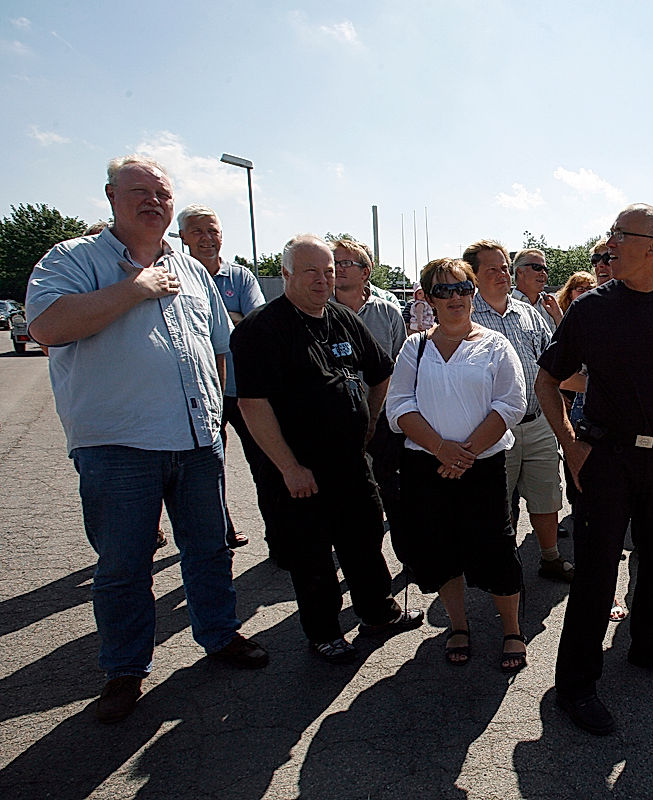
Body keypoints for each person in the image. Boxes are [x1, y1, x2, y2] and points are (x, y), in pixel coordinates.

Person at [25, 155, 267, 723]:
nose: (153, 201)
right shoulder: (73, 259)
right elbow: (48, 326)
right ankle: (125, 669)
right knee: (124, 565)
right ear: (112, 196)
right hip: (118, 446)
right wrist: (135, 289)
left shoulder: (192, 270)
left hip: (196, 440)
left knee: (209, 550)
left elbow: (220, 345)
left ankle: (220, 634)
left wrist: (218, 412)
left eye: (162, 193)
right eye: (140, 191)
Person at [535, 203, 653, 735]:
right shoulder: (591, 308)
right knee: (596, 573)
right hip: (605, 457)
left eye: (621, 235)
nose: (610, 243)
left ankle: (648, 646)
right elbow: (547, 380)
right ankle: (576, 685)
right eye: (611, 233)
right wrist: (570, 443)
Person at [232, 234, 423, 664]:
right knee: (312, 555)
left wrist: (369, 423)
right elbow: (252, 404)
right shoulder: (261, 329)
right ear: (286, 274)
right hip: (299, 470)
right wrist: (289, 467)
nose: (323, 280)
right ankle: (324, 633)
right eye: (311, 272)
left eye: (329, 271)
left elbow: (381, 371)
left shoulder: (341, 318)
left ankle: (379, 613)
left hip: (351, 462)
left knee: (365, 540)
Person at [387, 258, 528, 672]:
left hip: (482, 468)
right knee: (440, 547)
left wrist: (465, 453)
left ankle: (512, 630)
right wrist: (440, 449)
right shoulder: (415, 347)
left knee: (496, 549)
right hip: (427, 468)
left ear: (473, 292)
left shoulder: (496, 345)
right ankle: (458, 625)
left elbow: (511, 403)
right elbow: (399, 405)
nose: (455, 297)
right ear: (429, 298)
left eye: (463, 288)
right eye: (443, 290)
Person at [465, 240, 572, 583]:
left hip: (538, 422)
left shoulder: (529, 314)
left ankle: (550, 557)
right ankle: (500, 567)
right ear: (473, 275)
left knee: (547, 497)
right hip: (492, 430)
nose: (502, 275)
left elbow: (551, 366)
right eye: (492, 269)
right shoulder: (466, 318)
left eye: (504, 268)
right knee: (497, 503)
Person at [177, 204, 266, 550]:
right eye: (197, 231)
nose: (207, 238)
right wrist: (231, 317)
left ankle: (279, 535)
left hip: (245, 388)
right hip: (202, 391)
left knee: (265, 462)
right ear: (183, 237)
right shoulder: (176, 276)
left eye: (212, 230)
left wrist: (208, 320)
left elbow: (257, 326)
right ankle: (221, 529)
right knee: (207, 468)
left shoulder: (240, 277)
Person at [330, 237, 412, 561]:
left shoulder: (387, 313)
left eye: (345, 263)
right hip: (338, 423)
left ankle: (409, 558)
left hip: (384, 421)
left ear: (366, 272)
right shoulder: (318, 312)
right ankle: (364, 563)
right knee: (352, 500)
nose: (337, 269)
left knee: (395, 494)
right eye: (333, 262)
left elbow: (401, 366)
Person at [512, 248, 563, 328]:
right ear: (520, 271)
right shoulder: (505, 306)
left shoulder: (551, 306)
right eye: (537, 267)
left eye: (545, 269)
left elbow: (565, 334)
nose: (543, 273)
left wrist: (558, 316)